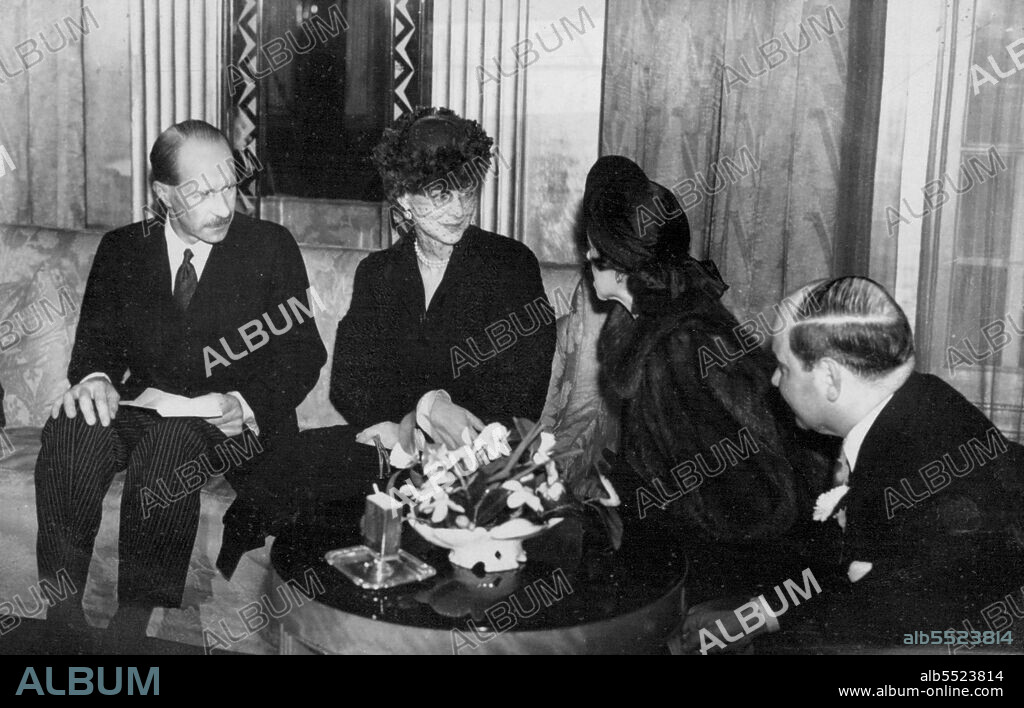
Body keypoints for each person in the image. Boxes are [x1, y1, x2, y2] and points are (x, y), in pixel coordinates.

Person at [35, 119, 327, 649]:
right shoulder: (124, 248)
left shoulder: (269, 246)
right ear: (164, 194)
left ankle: (136, 620)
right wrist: (95, 380)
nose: (222, 207)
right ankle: (61, 613)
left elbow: (303, 351)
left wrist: (246, 402)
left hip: (228, 419)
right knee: (70, 428)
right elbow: (93, 347)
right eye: (202, 192)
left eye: (229, 187)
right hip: (145, 406)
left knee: (171, 447)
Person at [222, 107, 556, 546]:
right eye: (440, 195)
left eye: (467, 190)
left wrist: (416, 423)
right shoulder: (378, 272)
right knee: (297, 481)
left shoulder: (511, 265)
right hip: (392, 450)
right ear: (403, 199)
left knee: (333, 495)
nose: (459, 208)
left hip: (480, 461)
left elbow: (522, 393)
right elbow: (351, 381)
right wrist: (419, 412)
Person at [684, 276, 1024, 652]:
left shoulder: (923, 466)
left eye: (784, 366)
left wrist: (751, 625)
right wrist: (756, 614)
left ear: (830, 377)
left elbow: (880, 623)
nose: (775, 381)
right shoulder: (914, 407)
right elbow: (841, 562)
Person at [581, 155, 826, 603]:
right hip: (694, 547)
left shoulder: (677, 347)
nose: (585, 255)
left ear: (622, 266)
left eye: (594, 250)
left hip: (726, 572)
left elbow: (743, 496)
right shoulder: (661, 320)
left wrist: (633, 498)